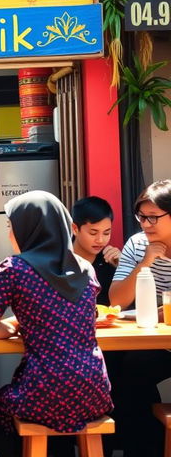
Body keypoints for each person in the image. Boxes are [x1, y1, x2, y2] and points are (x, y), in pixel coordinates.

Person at [0, 190, 112, 457]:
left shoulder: (14, 268)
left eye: (10, 226)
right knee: (56, 413)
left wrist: (13, 326)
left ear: (29, 229)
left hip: (43, 391)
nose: (9, 233)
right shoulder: (86, 268)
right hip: (96, 391)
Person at [107, 179, 171, 457]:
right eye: (141, 217)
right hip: (155, 342)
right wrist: (144, 263)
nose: (145, 224)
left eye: (153, 217)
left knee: (133, 370)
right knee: (119, 366)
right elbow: (116, 300)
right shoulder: (137, 245)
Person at [71, 196, 120, 305]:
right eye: (93, 233)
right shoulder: (58, 258)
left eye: (106, 233)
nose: (100, 240)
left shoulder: (110, 261)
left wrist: (122, 268)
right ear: (75, 229)